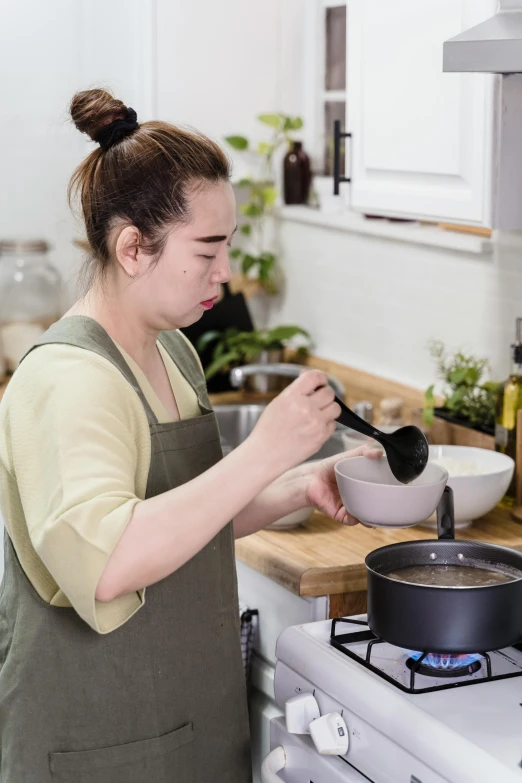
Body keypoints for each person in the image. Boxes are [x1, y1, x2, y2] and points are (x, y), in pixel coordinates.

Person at [0, 89, 380, 782]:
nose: (225, 272)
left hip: (187, 723)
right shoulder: (68, 380)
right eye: (207, 249)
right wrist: (266, 448)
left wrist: (293, 484)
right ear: (133, 247)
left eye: (226, 246)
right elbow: (110, 560)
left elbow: (185, 512)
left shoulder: (173, 350)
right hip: (101, 747)